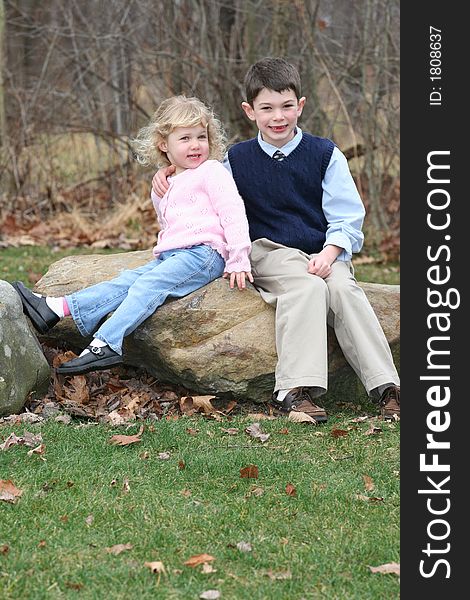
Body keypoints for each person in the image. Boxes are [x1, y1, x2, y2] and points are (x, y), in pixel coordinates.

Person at [153, 58, 400, 422]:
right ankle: (295, 391)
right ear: (249, 111)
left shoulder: (324, 154)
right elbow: (202, 186)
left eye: (287, 106)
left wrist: (331, 253)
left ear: (300, 105)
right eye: (266, 108)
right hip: (269, 251)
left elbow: (347, 217)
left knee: (344, 291)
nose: (278, 117)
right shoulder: (236, 160)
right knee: (307, 289)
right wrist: (168, 169)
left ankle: (387, 387)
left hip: (323, 251)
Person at [13, 95, 253, 376]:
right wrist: (162, 182)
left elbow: (232, 211)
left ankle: (107, 343)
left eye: (201, 136)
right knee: (126, 281)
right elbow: (168, 222)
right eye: (185, 138)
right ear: (164, 144)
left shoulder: (211, 171)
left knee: (148, 285)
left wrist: (238, 258)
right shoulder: (167, 180)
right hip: (174, 255)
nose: (196, 145)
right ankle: (55, 308)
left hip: (205, 254)